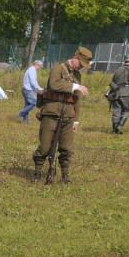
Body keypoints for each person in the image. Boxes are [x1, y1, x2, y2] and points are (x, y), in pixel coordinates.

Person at [32, 47, 91, 185]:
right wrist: (74, 87)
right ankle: (37, 171)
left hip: (68, 116)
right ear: (75, 58)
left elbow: (77, 99)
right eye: (81, 63)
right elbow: (53, 85)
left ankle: (65, 175)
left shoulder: (77, 75)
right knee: (45, 147)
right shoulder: (58, 68)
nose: (82, 66)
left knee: (66, 148)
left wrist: (76, 121)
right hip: (51, 113)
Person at [108, 55, 129, 133]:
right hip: (126, 93)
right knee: (127, 111)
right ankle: (119, 127)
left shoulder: (118, 69)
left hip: (116, 92)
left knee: (116, 110)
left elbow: (113, 81)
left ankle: (114, 129)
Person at [17, 59, 43, 123]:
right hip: (28, 90)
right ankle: (20, 114)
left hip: (27, 89)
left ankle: (26, 120)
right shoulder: (32, 70)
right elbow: (33, 82)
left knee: (27, 105)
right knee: (34, 103)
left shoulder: (32, 70)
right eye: (40, 66)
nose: (40, 68)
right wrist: (40, 89)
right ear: (37, 65)